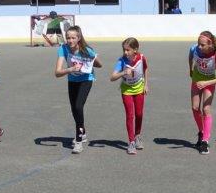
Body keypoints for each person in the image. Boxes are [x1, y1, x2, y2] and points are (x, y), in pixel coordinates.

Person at [55, 26, 102, 154]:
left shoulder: (87, 50)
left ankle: (79, 140)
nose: (70, 40)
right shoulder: (63, 49)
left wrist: (90, 60)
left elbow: (99, 65)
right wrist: (70, 69)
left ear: (79, 38)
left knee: (78, 106)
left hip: (86, 79)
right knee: (74, 110)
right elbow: (57, 73)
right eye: (68, 38)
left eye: (73, 38)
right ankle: (83, 132)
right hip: (72, 80)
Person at [189, 31, 216, 155]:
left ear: (210, 44)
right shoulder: (194, 49)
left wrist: (206, 83)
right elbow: (190, 55)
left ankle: (205, 141)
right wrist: (190, 68)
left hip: (209, 81)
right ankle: (201, 132)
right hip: (196, 79)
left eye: (202, 45)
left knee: (206, 109)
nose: (199, 47)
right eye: (198, 44)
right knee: (195, 108)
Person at [110, 37, 149, 155]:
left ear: (135, 50)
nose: (125, 52)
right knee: (130, 115)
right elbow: (112, 77)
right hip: (126, 90)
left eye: (128, 50)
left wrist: (146, 84)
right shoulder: (121, 61)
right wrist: (123, 72)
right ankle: (131, 142)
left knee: (139, 114)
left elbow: (145, 69)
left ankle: (137, 136)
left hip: (139, 89)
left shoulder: (141, 58)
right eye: (124, 50)